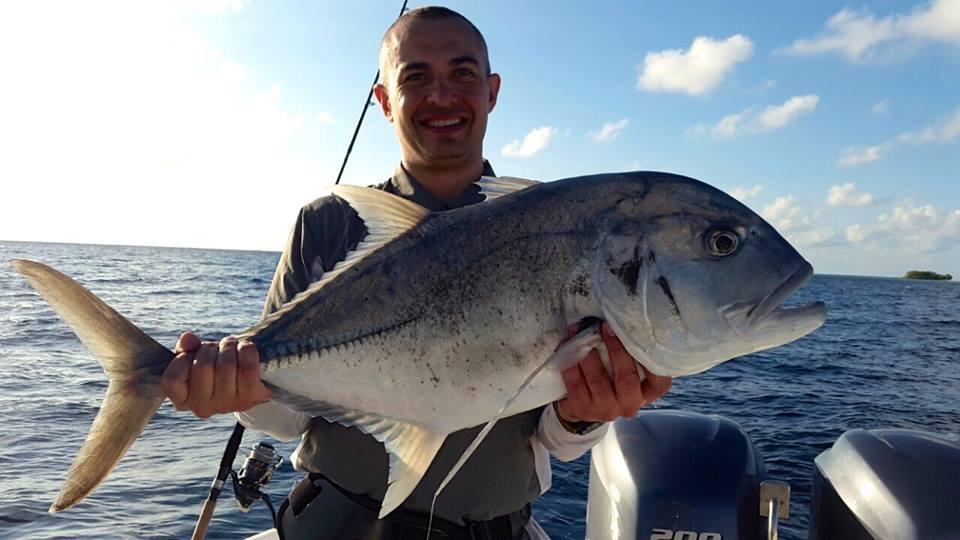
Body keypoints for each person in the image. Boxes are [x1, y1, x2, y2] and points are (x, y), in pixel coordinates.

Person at [160, 7, 672, 539]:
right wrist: (243, 391)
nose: (443, 95)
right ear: (383, 100)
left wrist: (584, 415)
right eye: (416, 76)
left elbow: (551, 442)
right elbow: (288, 420)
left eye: (463, 74)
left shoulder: (558, 230)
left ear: (492, 91)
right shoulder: (330, 223)